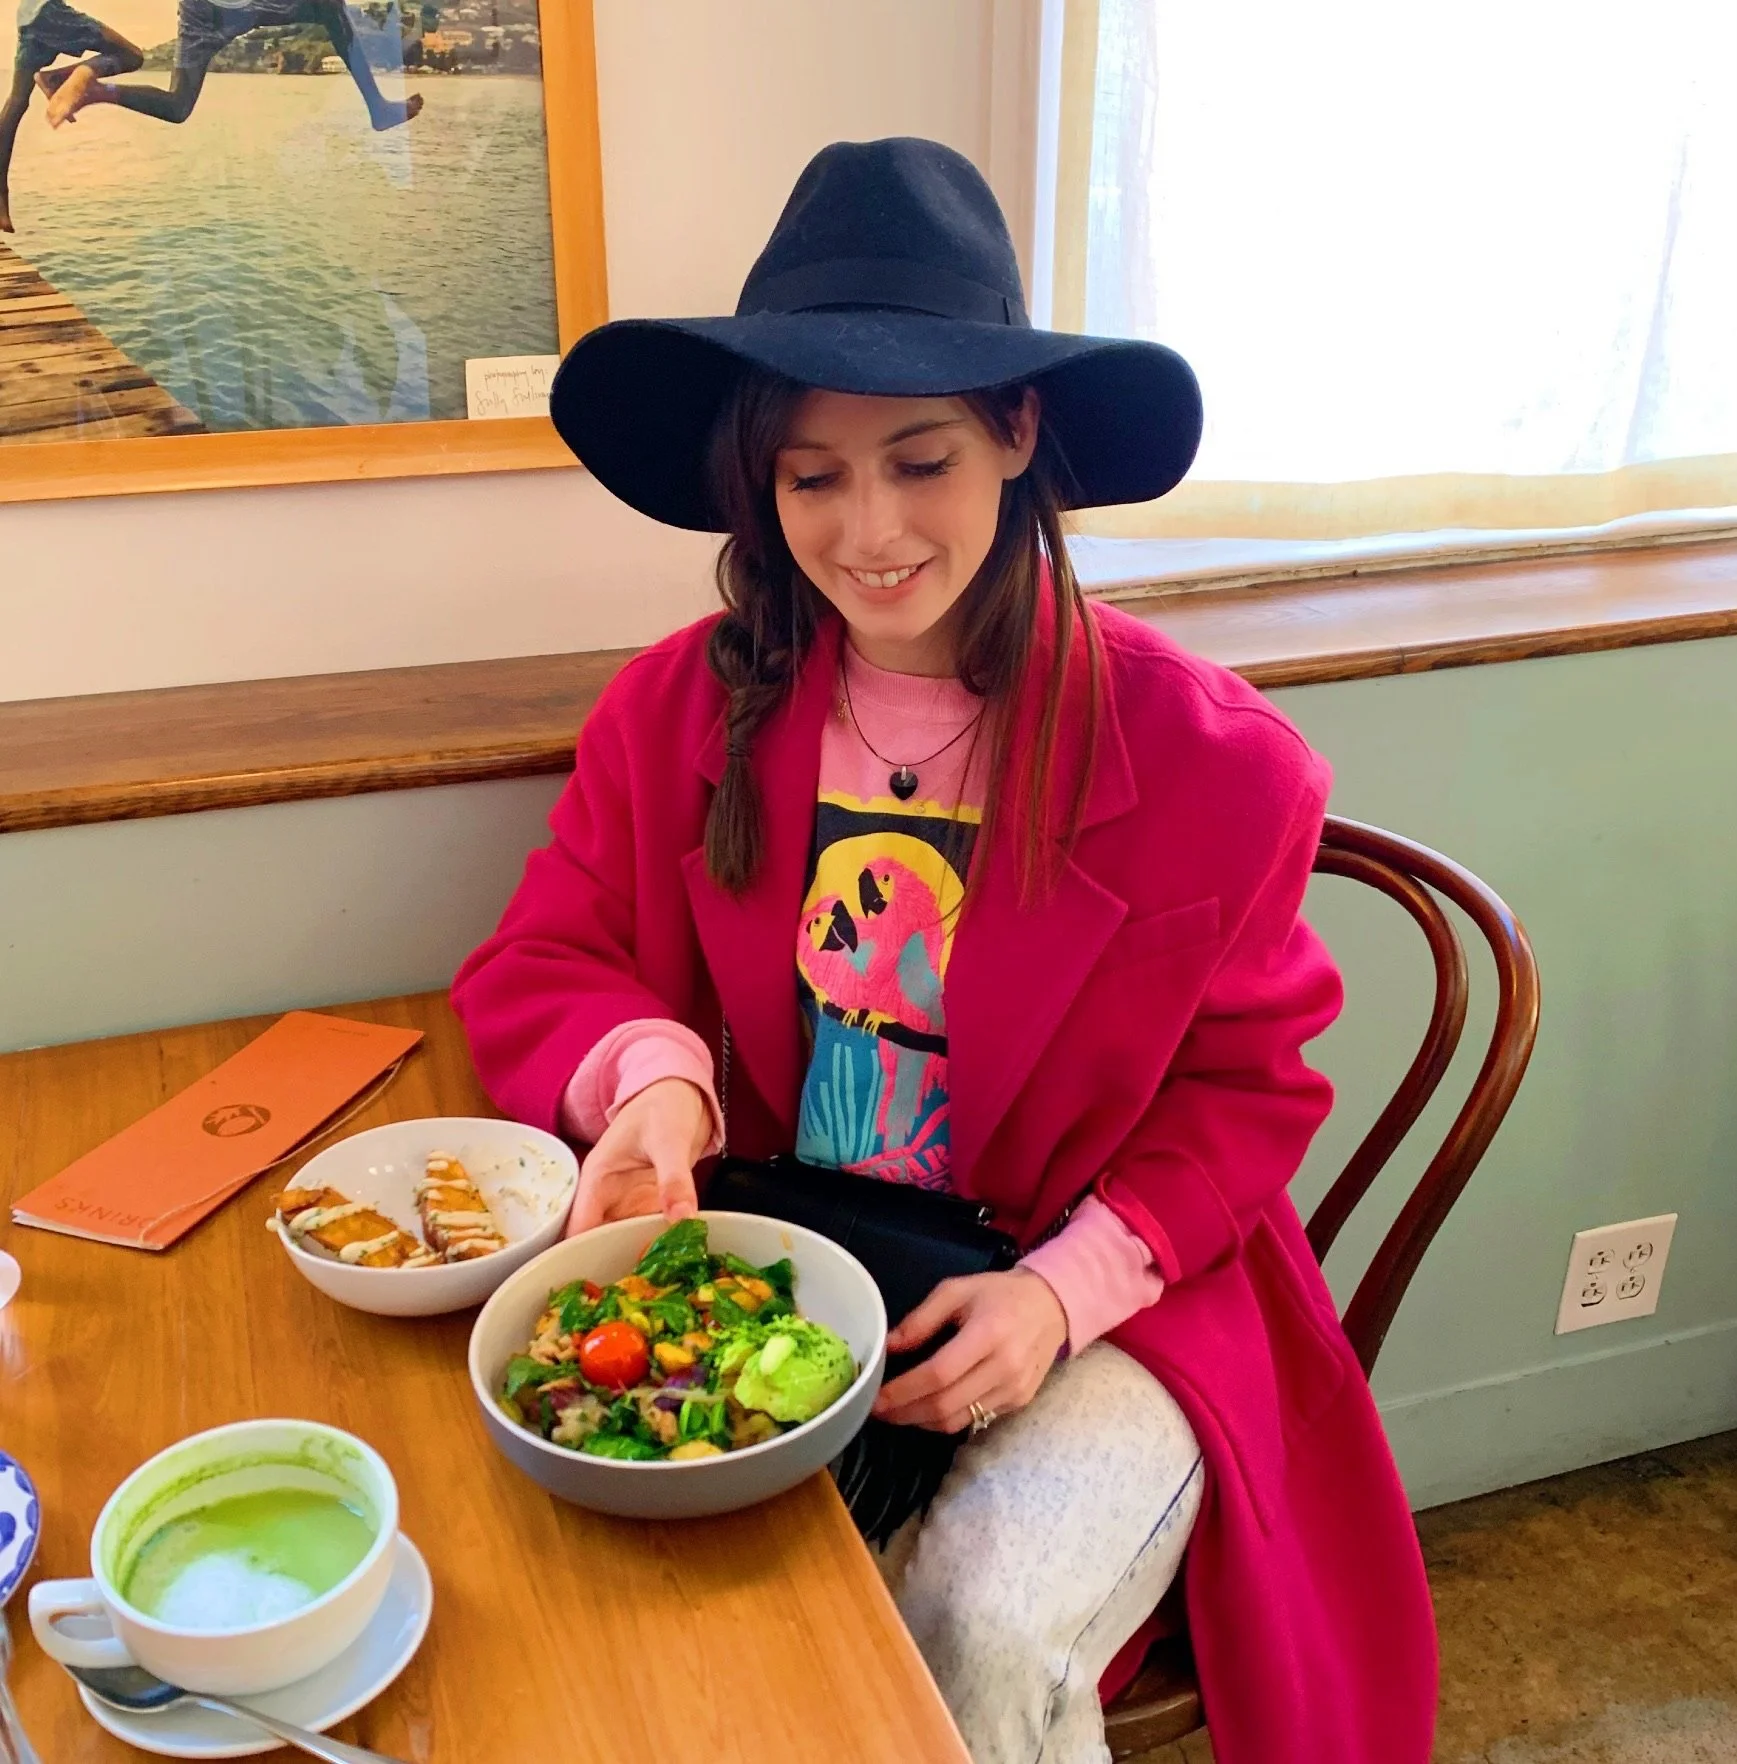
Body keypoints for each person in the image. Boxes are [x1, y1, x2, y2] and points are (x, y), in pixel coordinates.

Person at [452, 138, 1437, 1764]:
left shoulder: (1211, 762)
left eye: (919, 460)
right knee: (624, 1584)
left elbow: (1245, 1097)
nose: (870, 529)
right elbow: (554, 948)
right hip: (795, 1259)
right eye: (811, 475)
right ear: (759, 488)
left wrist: (1052, 1298)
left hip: (1113, 1290)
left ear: (1016, 433)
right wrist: (656, 1088)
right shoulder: (680, 706)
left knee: (969, 1618)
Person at [54, 0, 422, 132]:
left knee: (179, 104)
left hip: (199, 10)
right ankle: (378, 108)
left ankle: (98, 90)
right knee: (329, 5)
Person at [0, 0, 142, 232]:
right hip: (49, 11)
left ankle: (0, 198)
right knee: (133, 55)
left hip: (28, 16)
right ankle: (58, 78)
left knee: (16, 102)